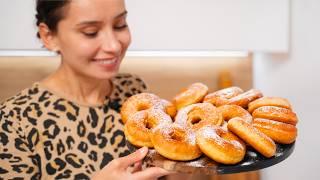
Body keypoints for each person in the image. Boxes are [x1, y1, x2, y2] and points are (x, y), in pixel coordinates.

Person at [0, 0, 171, 179]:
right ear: (48, 36)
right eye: (91, 33)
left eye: (120, 25)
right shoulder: (13, 119)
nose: (113, 46)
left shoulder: (134, 89)